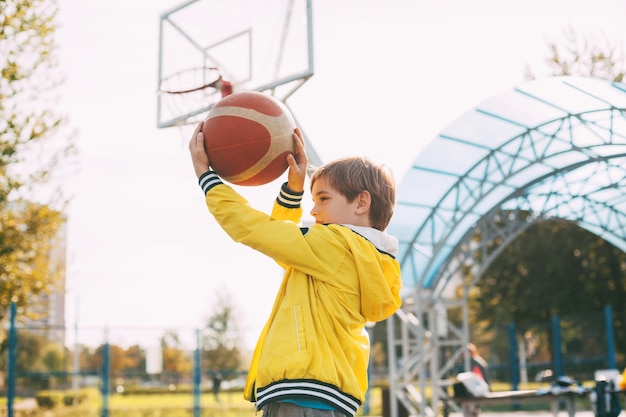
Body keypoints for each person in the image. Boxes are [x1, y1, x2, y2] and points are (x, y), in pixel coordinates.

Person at [189, 122, 402, 417]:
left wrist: (207, 179)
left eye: (323, 199)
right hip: (326, 396)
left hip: (302, 396)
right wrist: (292, 190)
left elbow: (259, 231)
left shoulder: (335, 244)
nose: (313, 210)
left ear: (361, 202)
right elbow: (286, 246)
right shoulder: (361, 255)